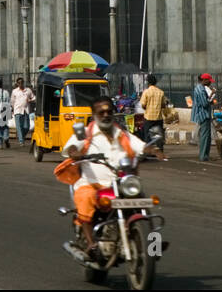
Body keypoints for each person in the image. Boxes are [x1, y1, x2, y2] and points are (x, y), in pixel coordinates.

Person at [62, 96, 159, 256]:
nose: (106, 115)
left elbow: (139, 145)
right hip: (92, 183)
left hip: (120, 182)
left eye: (109, 112)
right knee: (85, 197)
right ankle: (91, 243)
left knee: (142, 201)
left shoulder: (121, 133)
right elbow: (72, 146)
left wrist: (153, 150)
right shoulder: (85, 133)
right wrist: (75, 153)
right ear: (94, 114)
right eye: (101, 112)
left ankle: (153, 247)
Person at [139, 75, 167, 158]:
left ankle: (148, 152)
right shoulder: (161, 92)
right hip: (158, 117)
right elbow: (163, 105)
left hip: (148, 117)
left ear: (148, 82)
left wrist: (147, 108)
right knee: (159, 135)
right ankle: (160, 152)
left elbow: (143, 105)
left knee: (147, 135)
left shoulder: (146, 92)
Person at [192, 74, 216, 162]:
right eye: (209, 81)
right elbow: (205, 103)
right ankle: (203, 156)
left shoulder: (200, 88)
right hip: (203, 114)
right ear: (204, 80)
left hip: (203, 114)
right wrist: (212, 95)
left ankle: (205, 155)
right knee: (205, 136)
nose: (210, 83)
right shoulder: (200, 90)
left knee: (206, 136)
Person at [10, 78, 34, 148]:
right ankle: (21, 141)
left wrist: (30, 100)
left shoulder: (28, 90)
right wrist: (13, 109)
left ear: (23, 83)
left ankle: (22, 136)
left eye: (22, 82)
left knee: (27, 126)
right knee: (19, 127)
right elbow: (12, 101)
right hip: (17, 110)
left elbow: (34, 97)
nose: (20, 84)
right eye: (19, 83)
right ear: (17, 84)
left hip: (26, 110)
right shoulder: (14, 91)